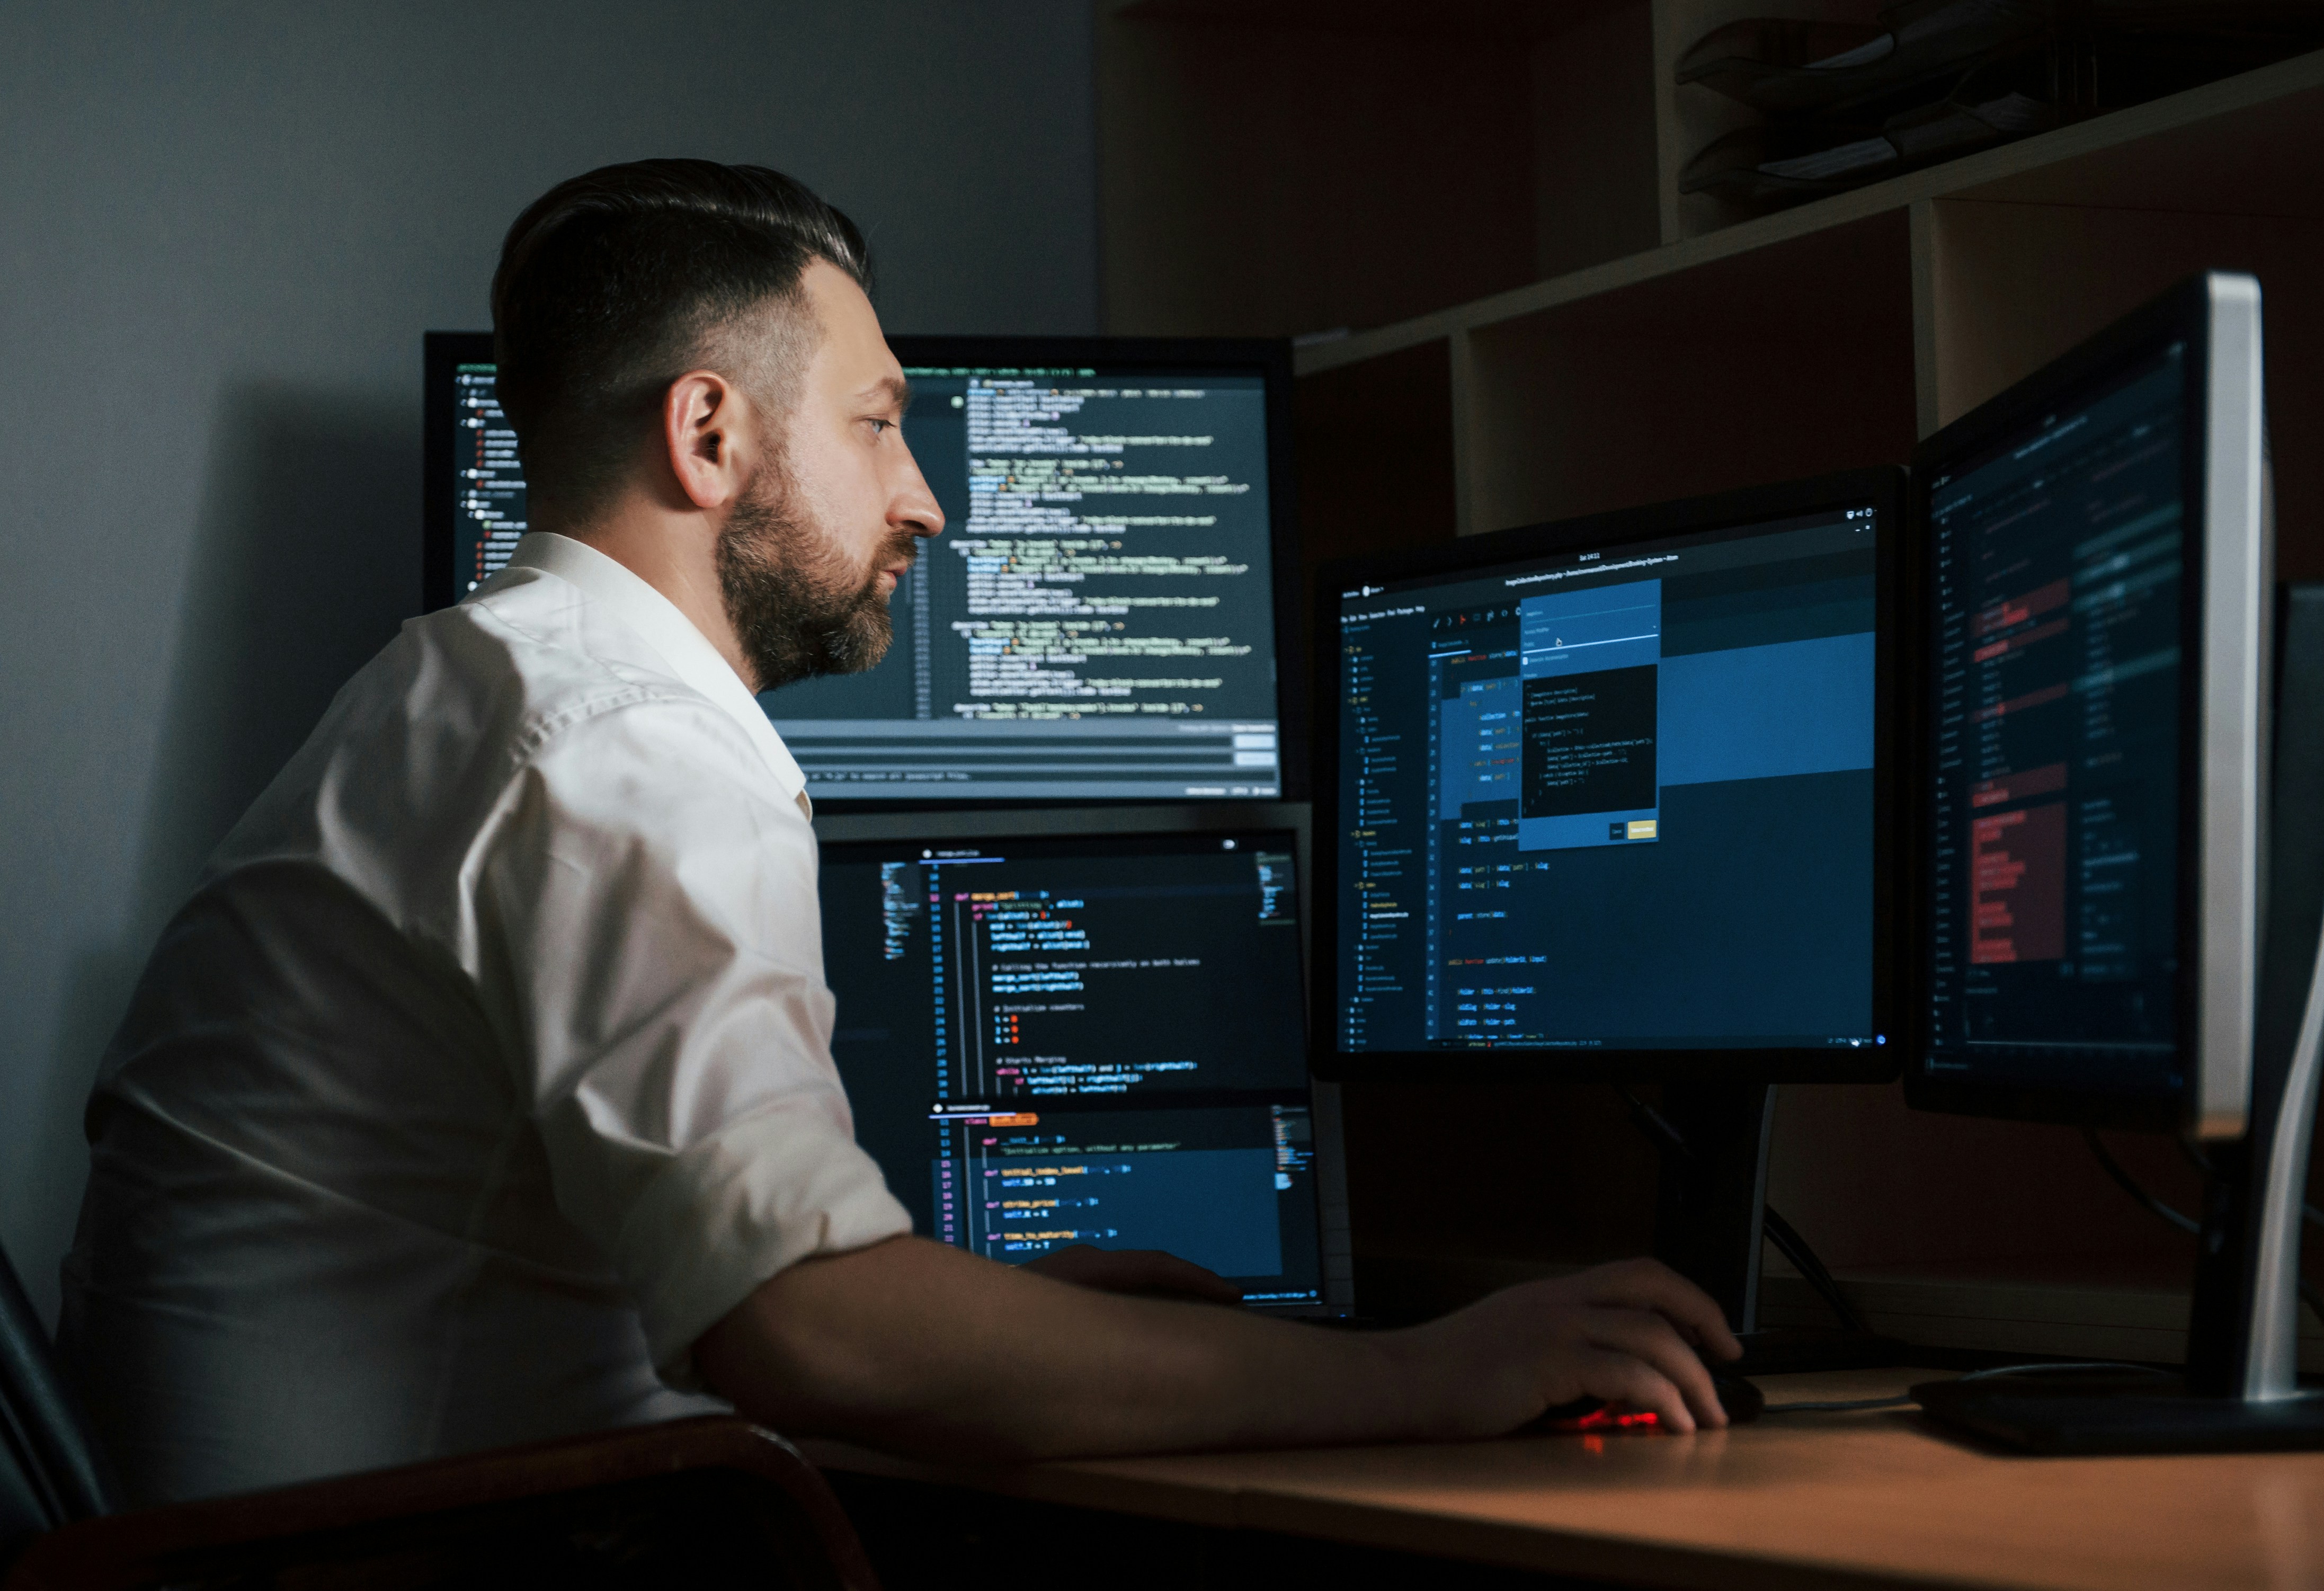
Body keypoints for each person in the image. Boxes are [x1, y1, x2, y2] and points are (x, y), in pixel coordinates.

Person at [58, 159, 1739, 1506]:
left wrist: (1011, 1317)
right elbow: (805, 1330)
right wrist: (1429, 1370)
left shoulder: (469, 681)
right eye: (877, 422)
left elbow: (704, 1279)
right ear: (710, 434)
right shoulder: (630, 735)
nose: (924, 495)